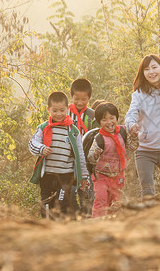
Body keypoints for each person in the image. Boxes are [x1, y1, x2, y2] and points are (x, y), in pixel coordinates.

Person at [125, 54, 160, 197]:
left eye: (154, 67)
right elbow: (131, 113)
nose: (151, 72)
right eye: (146, 69)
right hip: (144, 150)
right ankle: (149, 218)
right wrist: (131, 124)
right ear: (142, 73)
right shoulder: (138, 94)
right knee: (148, 192)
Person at [29, 91, 88, 219]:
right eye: (54, 111)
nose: (59, 114)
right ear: (48, 110)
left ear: (67, 108)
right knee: (46, 203)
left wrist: (83, 175)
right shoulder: (44, 127)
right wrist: (41, 148)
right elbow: (32, 143)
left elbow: (80, 154)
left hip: (66, 175)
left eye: (62, 110)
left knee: (62, 202)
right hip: (47, 175)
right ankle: (48, 228)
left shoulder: (73, 131)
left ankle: (63, 227)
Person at [87, 102, 138, 217]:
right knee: (101, 201)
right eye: (104, 120)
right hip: (101, 176)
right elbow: (90, 159)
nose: (109, 122)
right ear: (99, 122)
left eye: (112, 118)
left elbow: (132, 147)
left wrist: (134, 136)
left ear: (116, 118)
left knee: (116, 203)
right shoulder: (99, 138)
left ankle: (113, 225)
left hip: (118, 175)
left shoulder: (123, 132)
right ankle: (97, 225)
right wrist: (95, 154)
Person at [67, 78, 100, 215]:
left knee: (87, 193)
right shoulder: (64, 113)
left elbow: (99, 136)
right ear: (71, 96)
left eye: (84, 99)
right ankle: (73, 217)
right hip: (68, 161)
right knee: (68, 192)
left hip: (87, 163)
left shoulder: (93, 115)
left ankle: (86, 217)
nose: (80, 102)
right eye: (76, 99)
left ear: (89, 97)